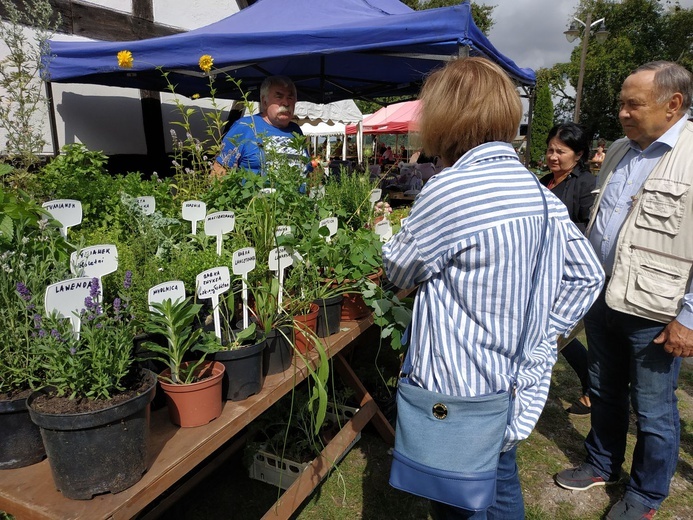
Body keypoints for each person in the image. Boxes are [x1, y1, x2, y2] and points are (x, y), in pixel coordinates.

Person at [382, 57, 604, 520]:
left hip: (460, 384)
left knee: (457, 501)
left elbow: (399, 272)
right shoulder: (537, 192)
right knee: (500, 480)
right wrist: (546, 331)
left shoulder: (451, 190)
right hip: (516, 380)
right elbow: (589, 274)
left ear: (446, 118)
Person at [555, 61, 693, 520]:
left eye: (633, 104)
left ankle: (647, 494)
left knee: (654, 411)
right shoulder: (618, 150)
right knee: (604, 388)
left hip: (655, 310)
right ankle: (602, 463)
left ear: (673, 105)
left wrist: (689, 318)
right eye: (621, 103)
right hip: (604, 297)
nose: (622, 113)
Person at [541, 122, 596, 416]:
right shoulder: (544, 181)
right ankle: (592, 384)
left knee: (561, 332)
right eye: (550, 149)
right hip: (543, 269)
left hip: (568, 273)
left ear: (578, 154)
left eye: (560, 151)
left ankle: (593, 386)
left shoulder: (586, 184)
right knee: (552, 331)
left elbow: (588, 228)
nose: (553, 156)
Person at [212, 75, 311, 177]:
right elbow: (219, 172)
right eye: (279, 96)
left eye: (290, 97)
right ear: (264, 101)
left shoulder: (296, 131)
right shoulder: (244, 127)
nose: (286, 103)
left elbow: (307, 172)